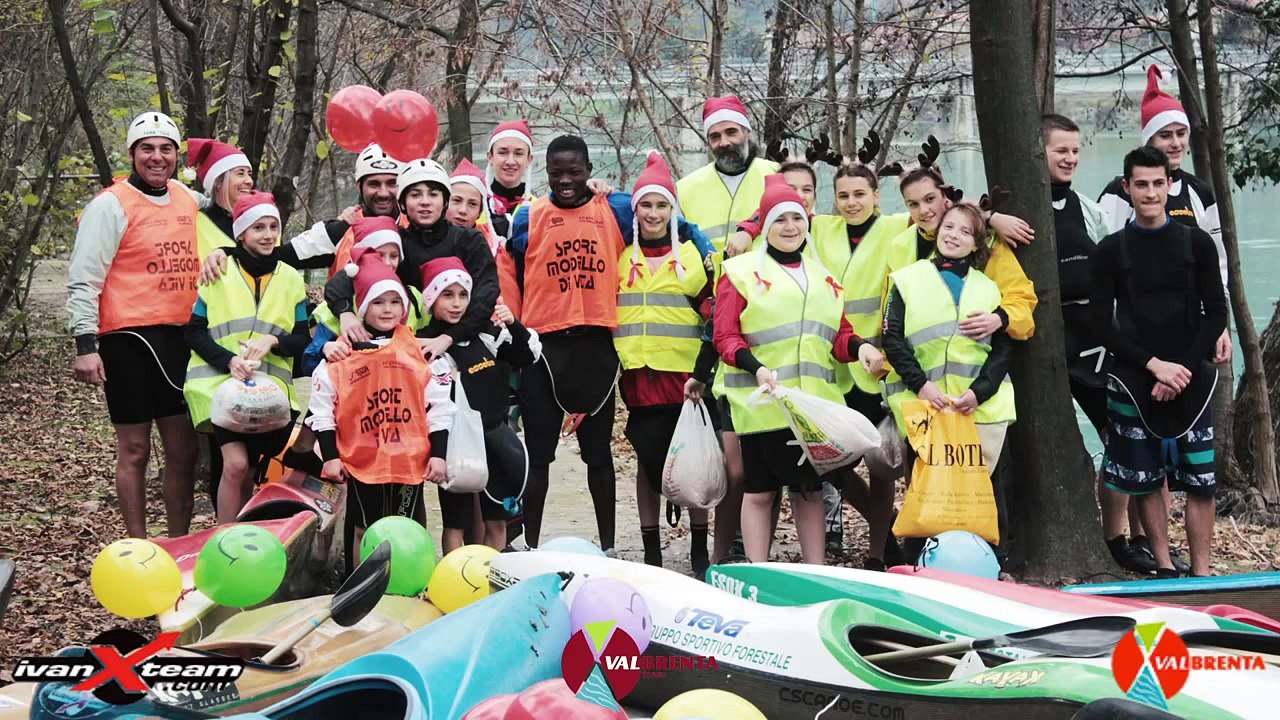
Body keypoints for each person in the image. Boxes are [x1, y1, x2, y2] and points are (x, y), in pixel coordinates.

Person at [1095, 66, 1232, 573]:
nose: (1150, 193)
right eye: (1141, 185)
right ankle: (1162, 564)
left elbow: (1214, 305)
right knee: (1145, 478)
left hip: (1192, 370)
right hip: (1135, 374)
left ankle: (1200, 571)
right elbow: (1100, 320)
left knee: (1201, 479)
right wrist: (1153, 366)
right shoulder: (1111, 249)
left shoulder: (1195, 238)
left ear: (1168, 183)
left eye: (1158, 184)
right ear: (1127, 188)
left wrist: (1187, 365)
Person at [713, 176, 883, 565]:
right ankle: (759, 570)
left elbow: (838, 337)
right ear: (765, 227)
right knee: (759, 492)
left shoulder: (825, 278)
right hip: (761, 405)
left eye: (796, 218)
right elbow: (724, 336)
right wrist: (755, 368)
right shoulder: (739, 272)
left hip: (810, 408)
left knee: (808, 490)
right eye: (779, 220)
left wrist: (863, 349)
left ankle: (815, 570)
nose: (790, 227)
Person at [67, 111, 203, 539]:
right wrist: (85, 344)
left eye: (166, 149)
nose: (157, 157)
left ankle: (179, 544)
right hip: (126, 340)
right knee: (136, 448)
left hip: (180, 338)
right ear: (132, 154)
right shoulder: (109, 205)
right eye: (147, 149)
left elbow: (233, 211)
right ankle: (138, 547)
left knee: (183, 451)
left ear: (176, 156)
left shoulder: (186, 197)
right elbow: (84, 277)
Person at [508, 135, 636, 554]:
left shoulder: (614, 208)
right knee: (538, 455)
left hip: (596, 345)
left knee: (598, 457)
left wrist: (615, 192)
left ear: (588, 170)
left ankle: (610, 547)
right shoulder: (529, 216)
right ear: (545, 172)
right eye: (556, 172)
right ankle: (529, 545)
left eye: (574, 172)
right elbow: (506, 264)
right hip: (544, 349)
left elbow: (668, 217)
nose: (565, 180)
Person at [1042, 114, 1156, 574]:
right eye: (1060, 150)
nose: (1070, 158)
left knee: (1122, 439)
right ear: (1039, 153)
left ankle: (1120, 538)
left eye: (1075, 150)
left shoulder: (1089, 210)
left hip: (1094, 345)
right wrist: (993, 216)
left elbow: (1115, 270)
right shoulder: (1012, 210)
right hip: (1044, 350)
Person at [307, 248, 455, 574]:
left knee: (408, 532)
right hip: (361, 463)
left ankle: (407, 588)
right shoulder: (341, 356)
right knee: (364, 529)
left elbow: (440, 408)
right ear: (362, 307)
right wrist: (331, 456)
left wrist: (439, 454)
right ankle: (361, 589)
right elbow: (321, 411)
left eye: (394, 302)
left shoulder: (419, 351)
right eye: (377, 302)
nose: (387, 310)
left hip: (410, 461)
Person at [615, 152, 714, 575]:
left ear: (674, 211)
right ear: (634, 210)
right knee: (647, 462)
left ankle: (698, 547)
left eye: (662, 205)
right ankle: (651, 549)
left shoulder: (693, 256)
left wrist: (703, 373)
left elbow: (713, 316)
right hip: (638, 379)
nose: (653, 213)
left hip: (685, 382)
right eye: (645, 205)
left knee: (691, 464)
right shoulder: (620, 258)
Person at [183, 192, 310, 523]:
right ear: (241, 233)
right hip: (221, 388)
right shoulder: (217, 273)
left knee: (250, 469)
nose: (268, 235)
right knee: (235, 464)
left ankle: (243, 536)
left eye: (273, 227)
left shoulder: (292, 279)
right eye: (258, 228)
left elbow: (301, 340)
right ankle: (224, 536)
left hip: (269, 397)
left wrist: (273, 340)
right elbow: (194, 331)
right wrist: (228, 361)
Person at [882, 202, 1016, 489]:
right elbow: (891, 338)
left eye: (966, 231)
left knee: (986, 505)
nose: (954, 235)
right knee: (929, 504)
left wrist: (978, 393)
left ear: (976, 243)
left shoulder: (989, 288)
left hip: (980, 411)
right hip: (925, 407)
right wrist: (921, 386)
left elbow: (1003, 351)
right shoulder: (906, 280)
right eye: (949, 227)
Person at [418, 257, 541, 552]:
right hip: (454, 443)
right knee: (455, 523)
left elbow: (527, 356)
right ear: (432, 299)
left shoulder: (487, 333)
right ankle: (455, 579)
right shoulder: (422, 342)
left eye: (463, 295)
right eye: (447, 295)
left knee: (496, 521)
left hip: (494, 438)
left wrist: (514, 324)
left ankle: (490, 577)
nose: (456, 303)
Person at [328, 158, 499, 360]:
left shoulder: (469, 240)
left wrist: (448, 338)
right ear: (402, 202)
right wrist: (345, 313)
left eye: (433, 195)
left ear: (445, 202)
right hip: (409, 341)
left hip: (464, 336)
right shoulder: (395, 241)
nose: (425, 201)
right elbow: (345, 278)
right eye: (415, 195)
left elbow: (486, 294)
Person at [678, 96, 779, 264]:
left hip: (769, 284)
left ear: (748, 133)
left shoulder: (777, 175)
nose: (724, 143)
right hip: (710, 287)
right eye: (715, 137)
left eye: (731, 132)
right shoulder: (684, 189)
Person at [448, 158, 523, 318]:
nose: (463, 210)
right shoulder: (426, 238)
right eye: (456, 201)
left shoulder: (496, 245)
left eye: (472, 204)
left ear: (481, 211)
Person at [187, 139, 253, 261]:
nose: (249, 181)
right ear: (218, 182)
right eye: (240, 173)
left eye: (249, 174)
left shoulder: (261, 219)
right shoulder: (195, 223)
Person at [484, 120, 538, 239]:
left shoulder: (539, 209)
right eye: (503, 153)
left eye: (518, 154)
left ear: (529, 159)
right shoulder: (475, 204)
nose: (510, 161)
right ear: (490, 157)